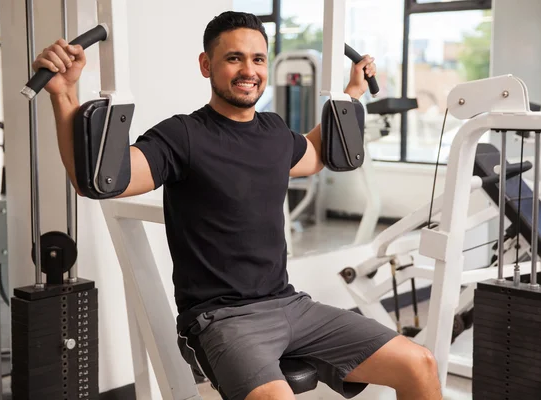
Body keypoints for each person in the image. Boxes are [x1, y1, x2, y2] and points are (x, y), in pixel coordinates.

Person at [33, 10, 443, 400]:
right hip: (222, 319)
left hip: (291, 304)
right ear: (206, 65)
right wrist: (64, 93)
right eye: (234, 58)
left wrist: (351, 93)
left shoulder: (274, 131)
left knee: (419, 363)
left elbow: (318, 152)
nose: (249, 70)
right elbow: (99, 182)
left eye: (258, 59)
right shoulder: (183, 136)